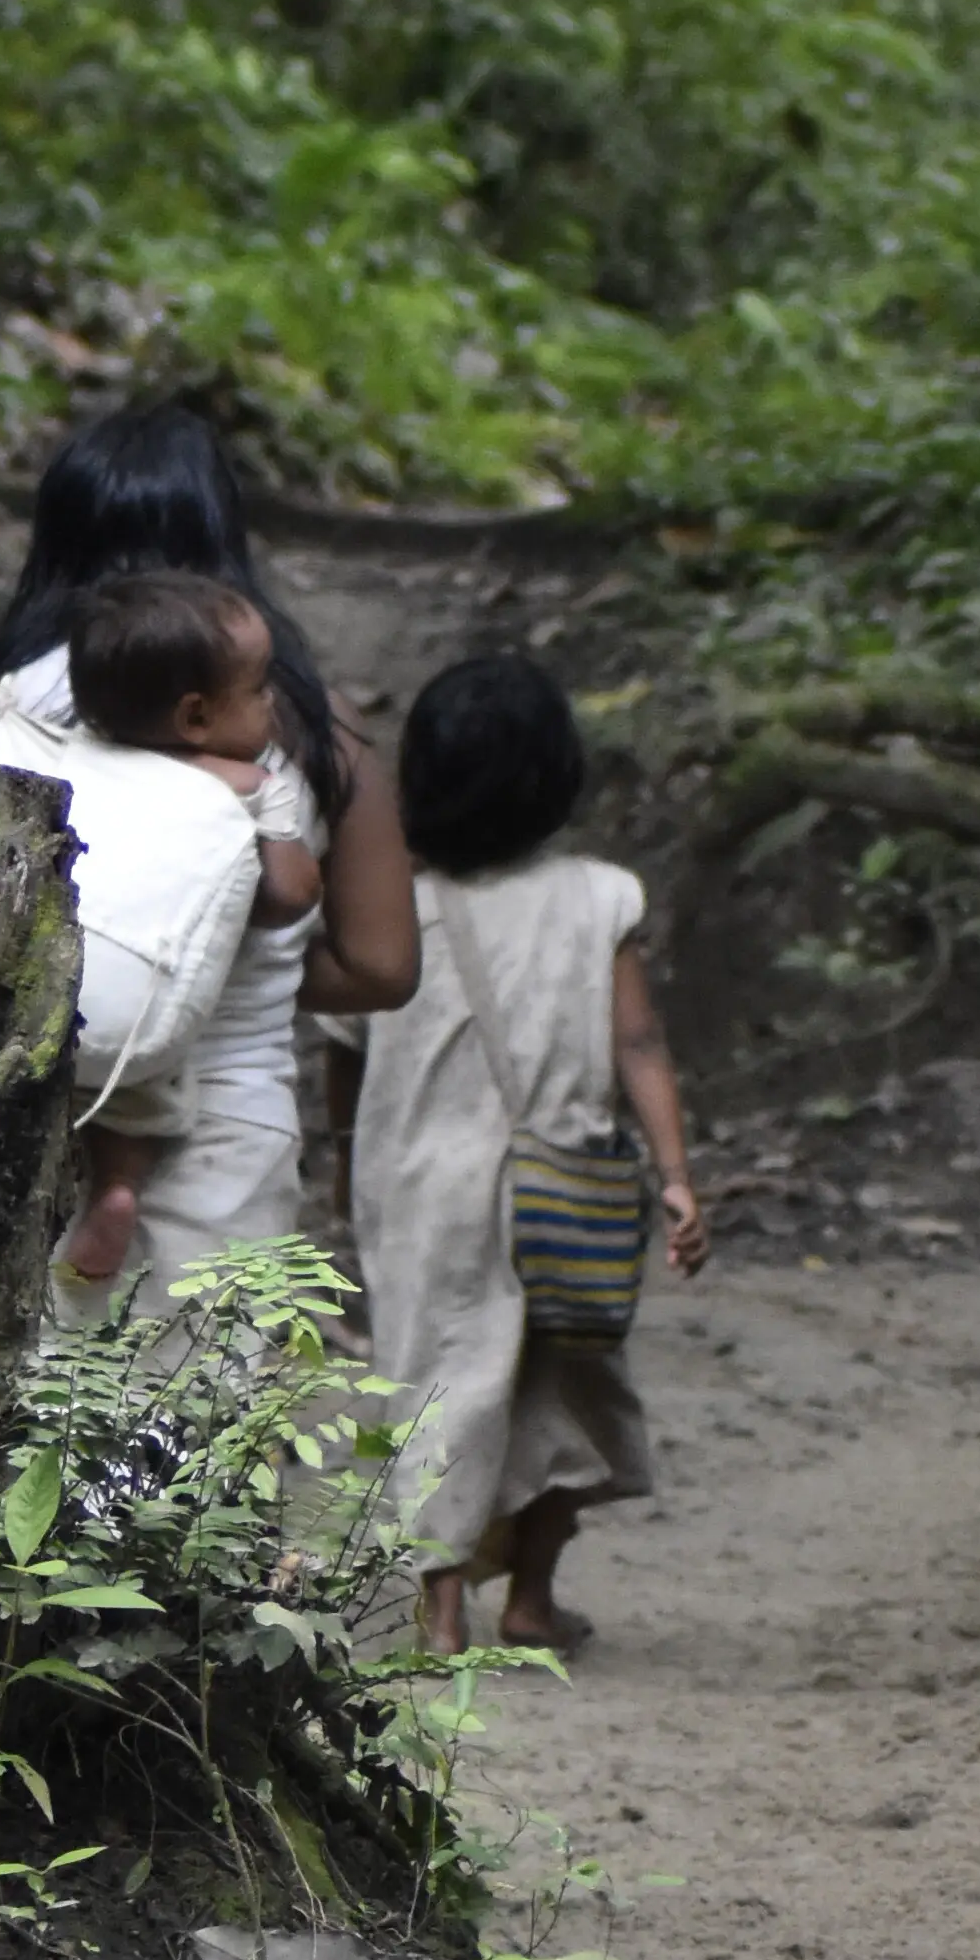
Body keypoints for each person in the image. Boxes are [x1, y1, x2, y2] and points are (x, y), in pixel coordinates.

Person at [0, 395, 417, 1312]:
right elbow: (382, 966)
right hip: (222, 1138)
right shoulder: (302, 724)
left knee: (13, 1442)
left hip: (8, 1125)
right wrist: (202, 963)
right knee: (179, 1444)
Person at [345, 644, 705, 1657]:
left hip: (422, 1190)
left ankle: (440, 1610)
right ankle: (534, 1600)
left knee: (434, 1390)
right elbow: (638, 1041)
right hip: (567, 1186)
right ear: (557, 777)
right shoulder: (601, 898)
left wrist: (345, 1174)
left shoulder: (389, 909)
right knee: (562, 1391)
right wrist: (674, 1177)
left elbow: (345, 1056)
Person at [47, 571, 324, 1300]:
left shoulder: (76, 760)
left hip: (68, 995)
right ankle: (121, 1184)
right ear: (196, 715)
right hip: (161, 1013)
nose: (273, 703)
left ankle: (99, 1185)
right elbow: (291, 895)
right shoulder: (250, 782)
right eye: (261, 688)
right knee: (150, 1080)